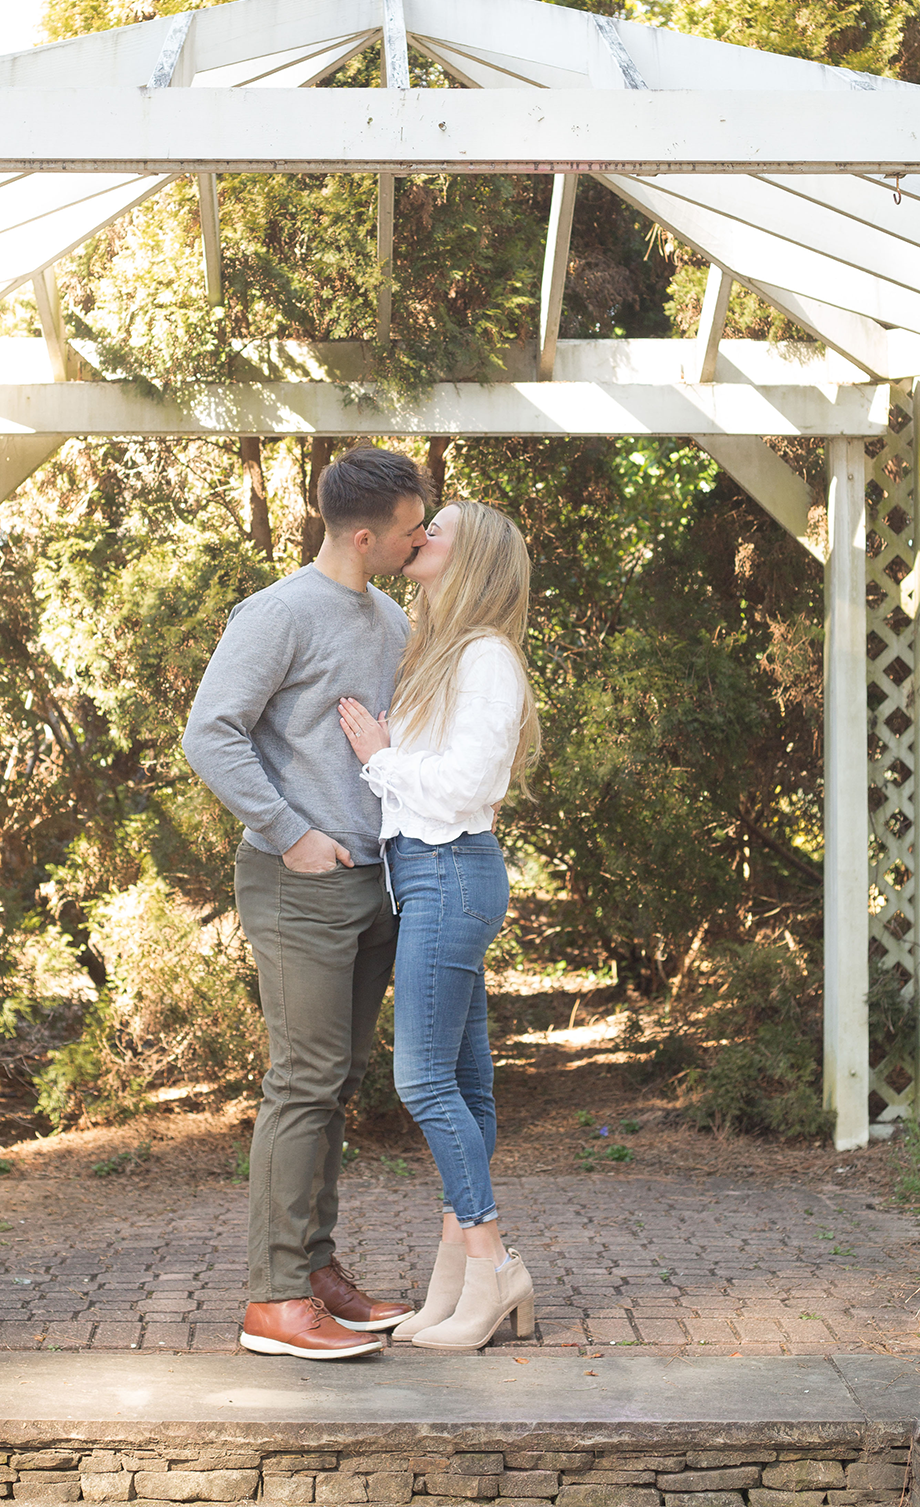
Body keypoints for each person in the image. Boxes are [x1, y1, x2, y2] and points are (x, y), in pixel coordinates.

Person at [182, 444, 434, 1360]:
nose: (421, 540)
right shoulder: (280, 612)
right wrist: (292, 833)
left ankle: (315, 1271)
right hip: (301, 878)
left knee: (335, 1086)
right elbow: (209, 733)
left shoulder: (393, 623)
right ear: (364, 535)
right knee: (302, 1082)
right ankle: (276, 1299)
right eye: (411, 530)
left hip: (376, 879)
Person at [338, 499, 541, 1353]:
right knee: (468, 1086)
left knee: (422, 1082)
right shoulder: (441, 651)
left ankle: (495, 1268)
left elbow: (463, 784)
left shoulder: (487, 658)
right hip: (431, 873)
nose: (422, 536)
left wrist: (380, 756)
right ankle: (452, 1282)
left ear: (475, 558)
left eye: (439, 529)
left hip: (450, 870)